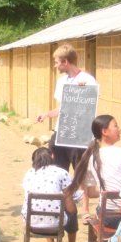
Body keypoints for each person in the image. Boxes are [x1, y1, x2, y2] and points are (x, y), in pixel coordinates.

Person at [65, 115, 121, 242]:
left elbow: (89, 191)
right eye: (116, 126)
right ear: (104, 132)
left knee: (98, 212)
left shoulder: (92, 157)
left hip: (108, 218)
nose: (119, 129)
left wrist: (88, 208)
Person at [36, 43, 98, 172]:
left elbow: (90, 108)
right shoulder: (61, 81)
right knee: (55, 169)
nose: (55, 66)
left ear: (65, 62)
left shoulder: (87, 80)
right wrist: (47, 114)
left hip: (78, 135)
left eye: (56, 62)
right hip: (62, 132)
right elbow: (63, 108)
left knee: (80, 172)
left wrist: (83, 92)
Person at [21, 147, 82, 242]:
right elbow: (72, 198)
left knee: (43, 206)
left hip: (31, 222)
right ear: (52, 156)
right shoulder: (61, 172)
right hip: (55, 223)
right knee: (71, 208)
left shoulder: (29, 174)